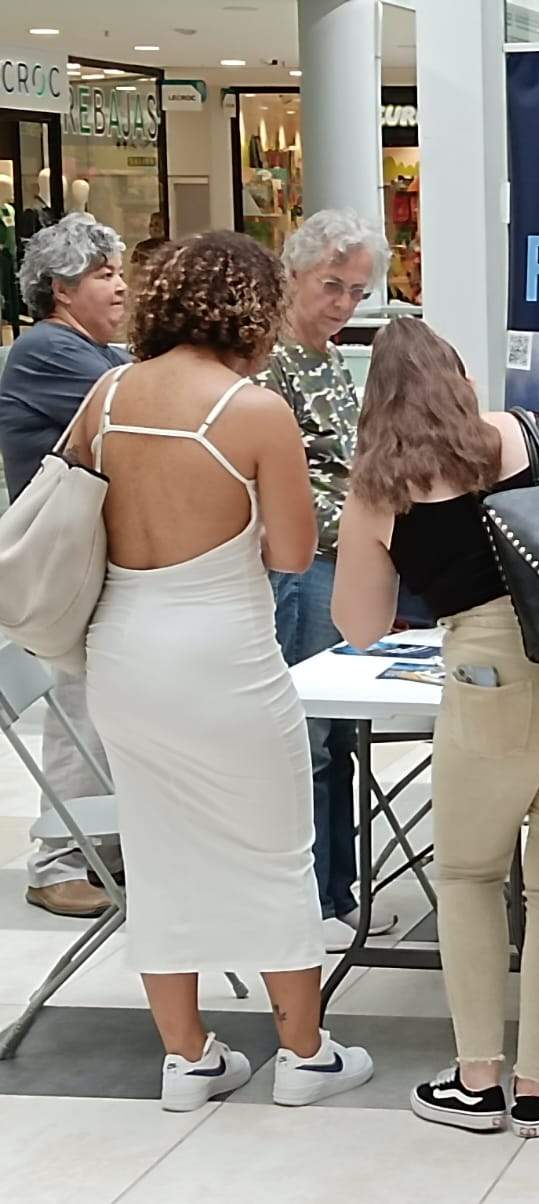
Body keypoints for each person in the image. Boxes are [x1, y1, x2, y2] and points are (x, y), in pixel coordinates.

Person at [331, 316, 539, 1137]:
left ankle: (477, 1079)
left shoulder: (381, 490)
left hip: (495, 685)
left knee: (469, 878)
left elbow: (360, 626)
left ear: (377, 408)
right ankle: (537, 1086)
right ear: (463, 381)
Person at [62, 231, 373, 1111]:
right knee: (275, 848)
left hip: (123, 648)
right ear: (252, 309)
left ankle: (188, 1058)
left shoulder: (107, 394)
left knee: (157, 849)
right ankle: (304, 1054)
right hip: (222, 652)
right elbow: (292, 552)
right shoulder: (254, 410)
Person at [254, 208, 401, 950]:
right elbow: (277, 482)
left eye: (357, 291)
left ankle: (340, 891)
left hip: (344, 561)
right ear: (294, 275)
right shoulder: (269, 360)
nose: (344, 303)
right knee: (308, 737)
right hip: (304, 563)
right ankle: (308, 901)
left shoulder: (327, 357)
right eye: (332, 286)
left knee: (340, 735)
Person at [0, 213, 129, 919]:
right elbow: (133, 411)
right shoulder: (50, 350)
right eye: (104, 275)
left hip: (91, 563)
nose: (121, 287)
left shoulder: (92, 351)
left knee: (102, 712)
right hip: (67, 569)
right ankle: (57, 862)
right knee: (80, 715)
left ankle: (101, 849)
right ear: (61, 288)